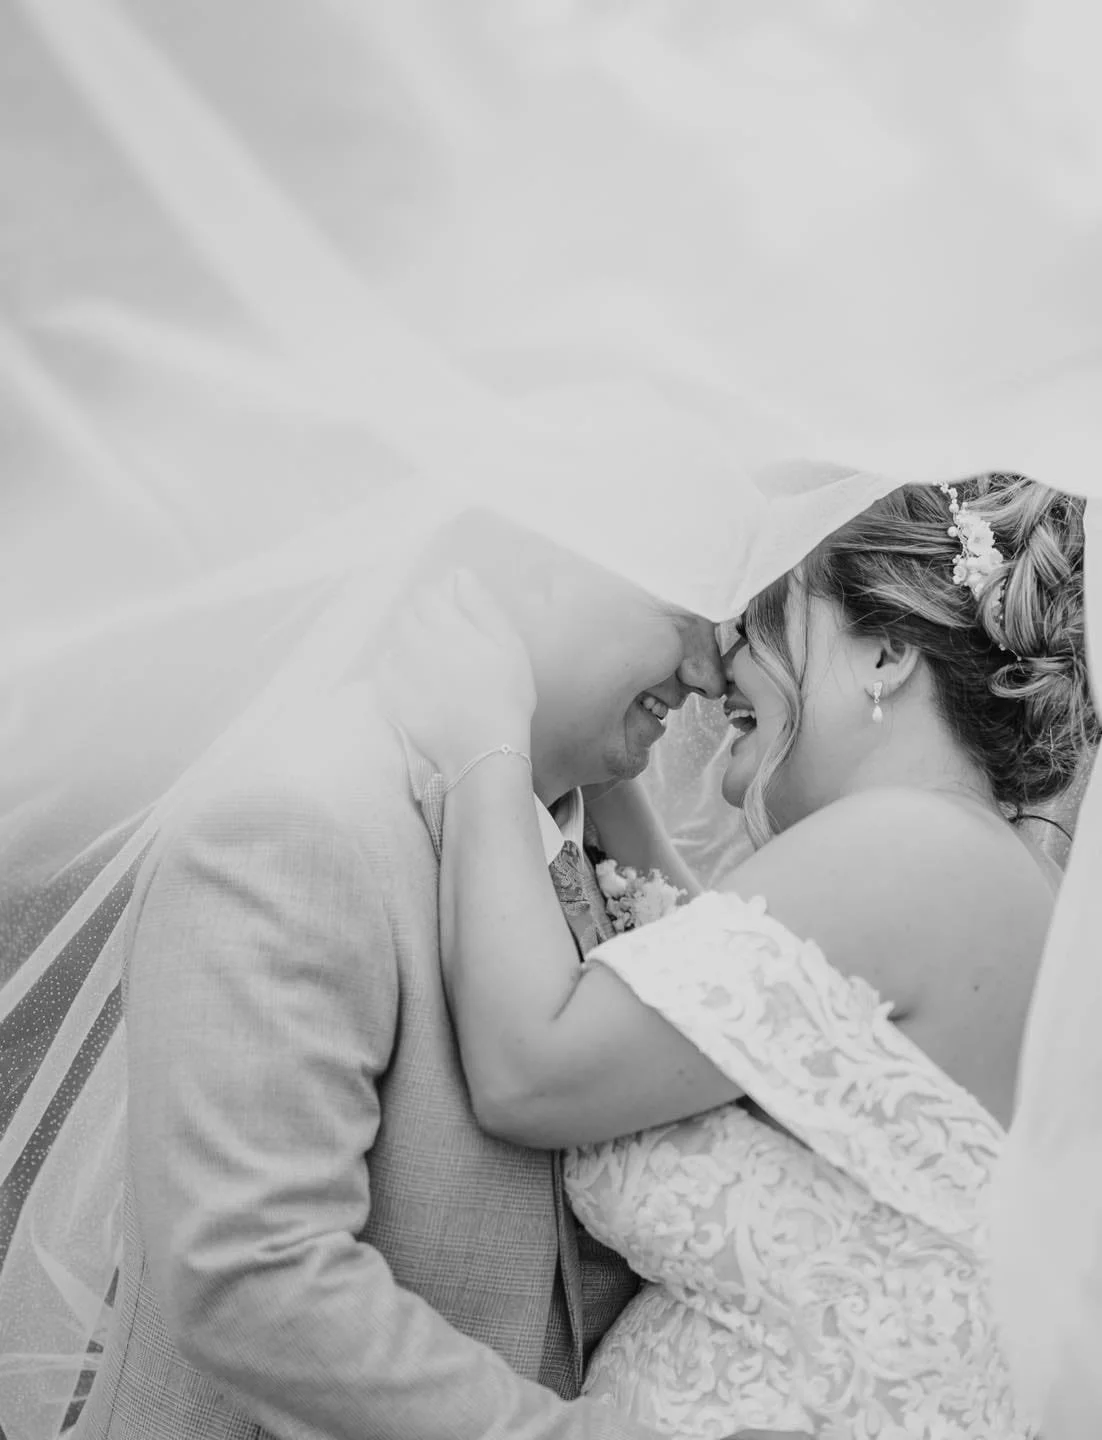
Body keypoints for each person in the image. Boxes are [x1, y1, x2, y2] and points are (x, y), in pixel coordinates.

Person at [381, 472, 1097, 1438]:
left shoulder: (912, 850)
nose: (720, 656)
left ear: (885, 653)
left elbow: (529, 1070)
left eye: (764, 609)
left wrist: (486, 745)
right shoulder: (973, 866)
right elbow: (695, 969)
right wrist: (586, 742)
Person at [71, 508, 764, 1440]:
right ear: (536, 566)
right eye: (678, 608)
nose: (709, 672)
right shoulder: (295, 819)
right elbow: (255, 1271)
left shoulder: (590, 833)